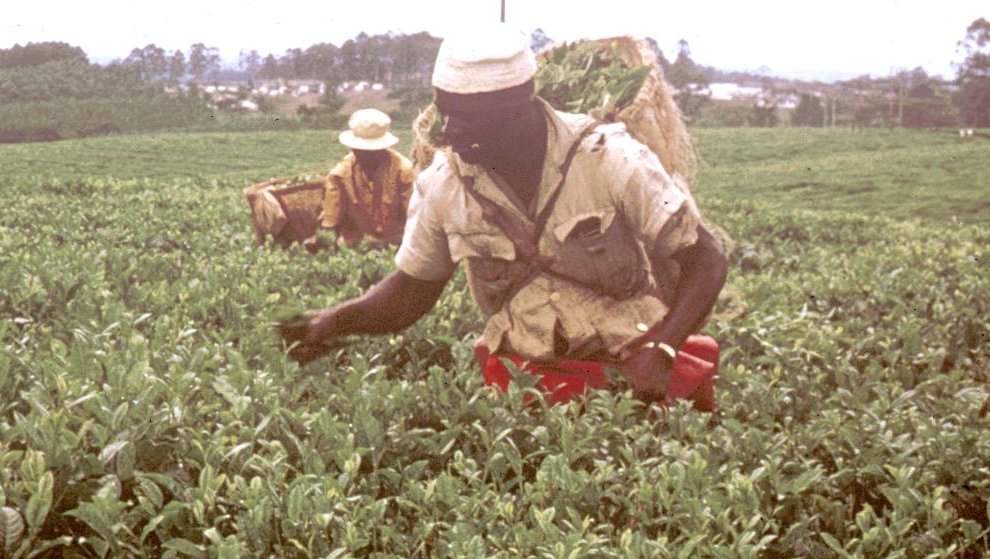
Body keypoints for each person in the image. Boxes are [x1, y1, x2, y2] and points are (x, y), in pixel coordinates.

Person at [280, 25, 727, 406]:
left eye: (466, 121)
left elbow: (704, 260)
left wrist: (663, 348)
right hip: (525, 382)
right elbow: (409, 294)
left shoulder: (608, 159)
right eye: (445, 115)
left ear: (518, 114)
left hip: (633, 368)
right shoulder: (446, 185)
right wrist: (333, 320)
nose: (449, 134)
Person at [317, 108, 418, 248]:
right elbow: (331, 221)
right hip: (353, 248)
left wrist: (384, 244)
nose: (366, 156)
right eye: (360, 151)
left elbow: (416, 225)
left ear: (383, 148)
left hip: (400, 246)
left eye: (372, 152)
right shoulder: (340, 174)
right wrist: (324, 242)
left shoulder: (404, 171)